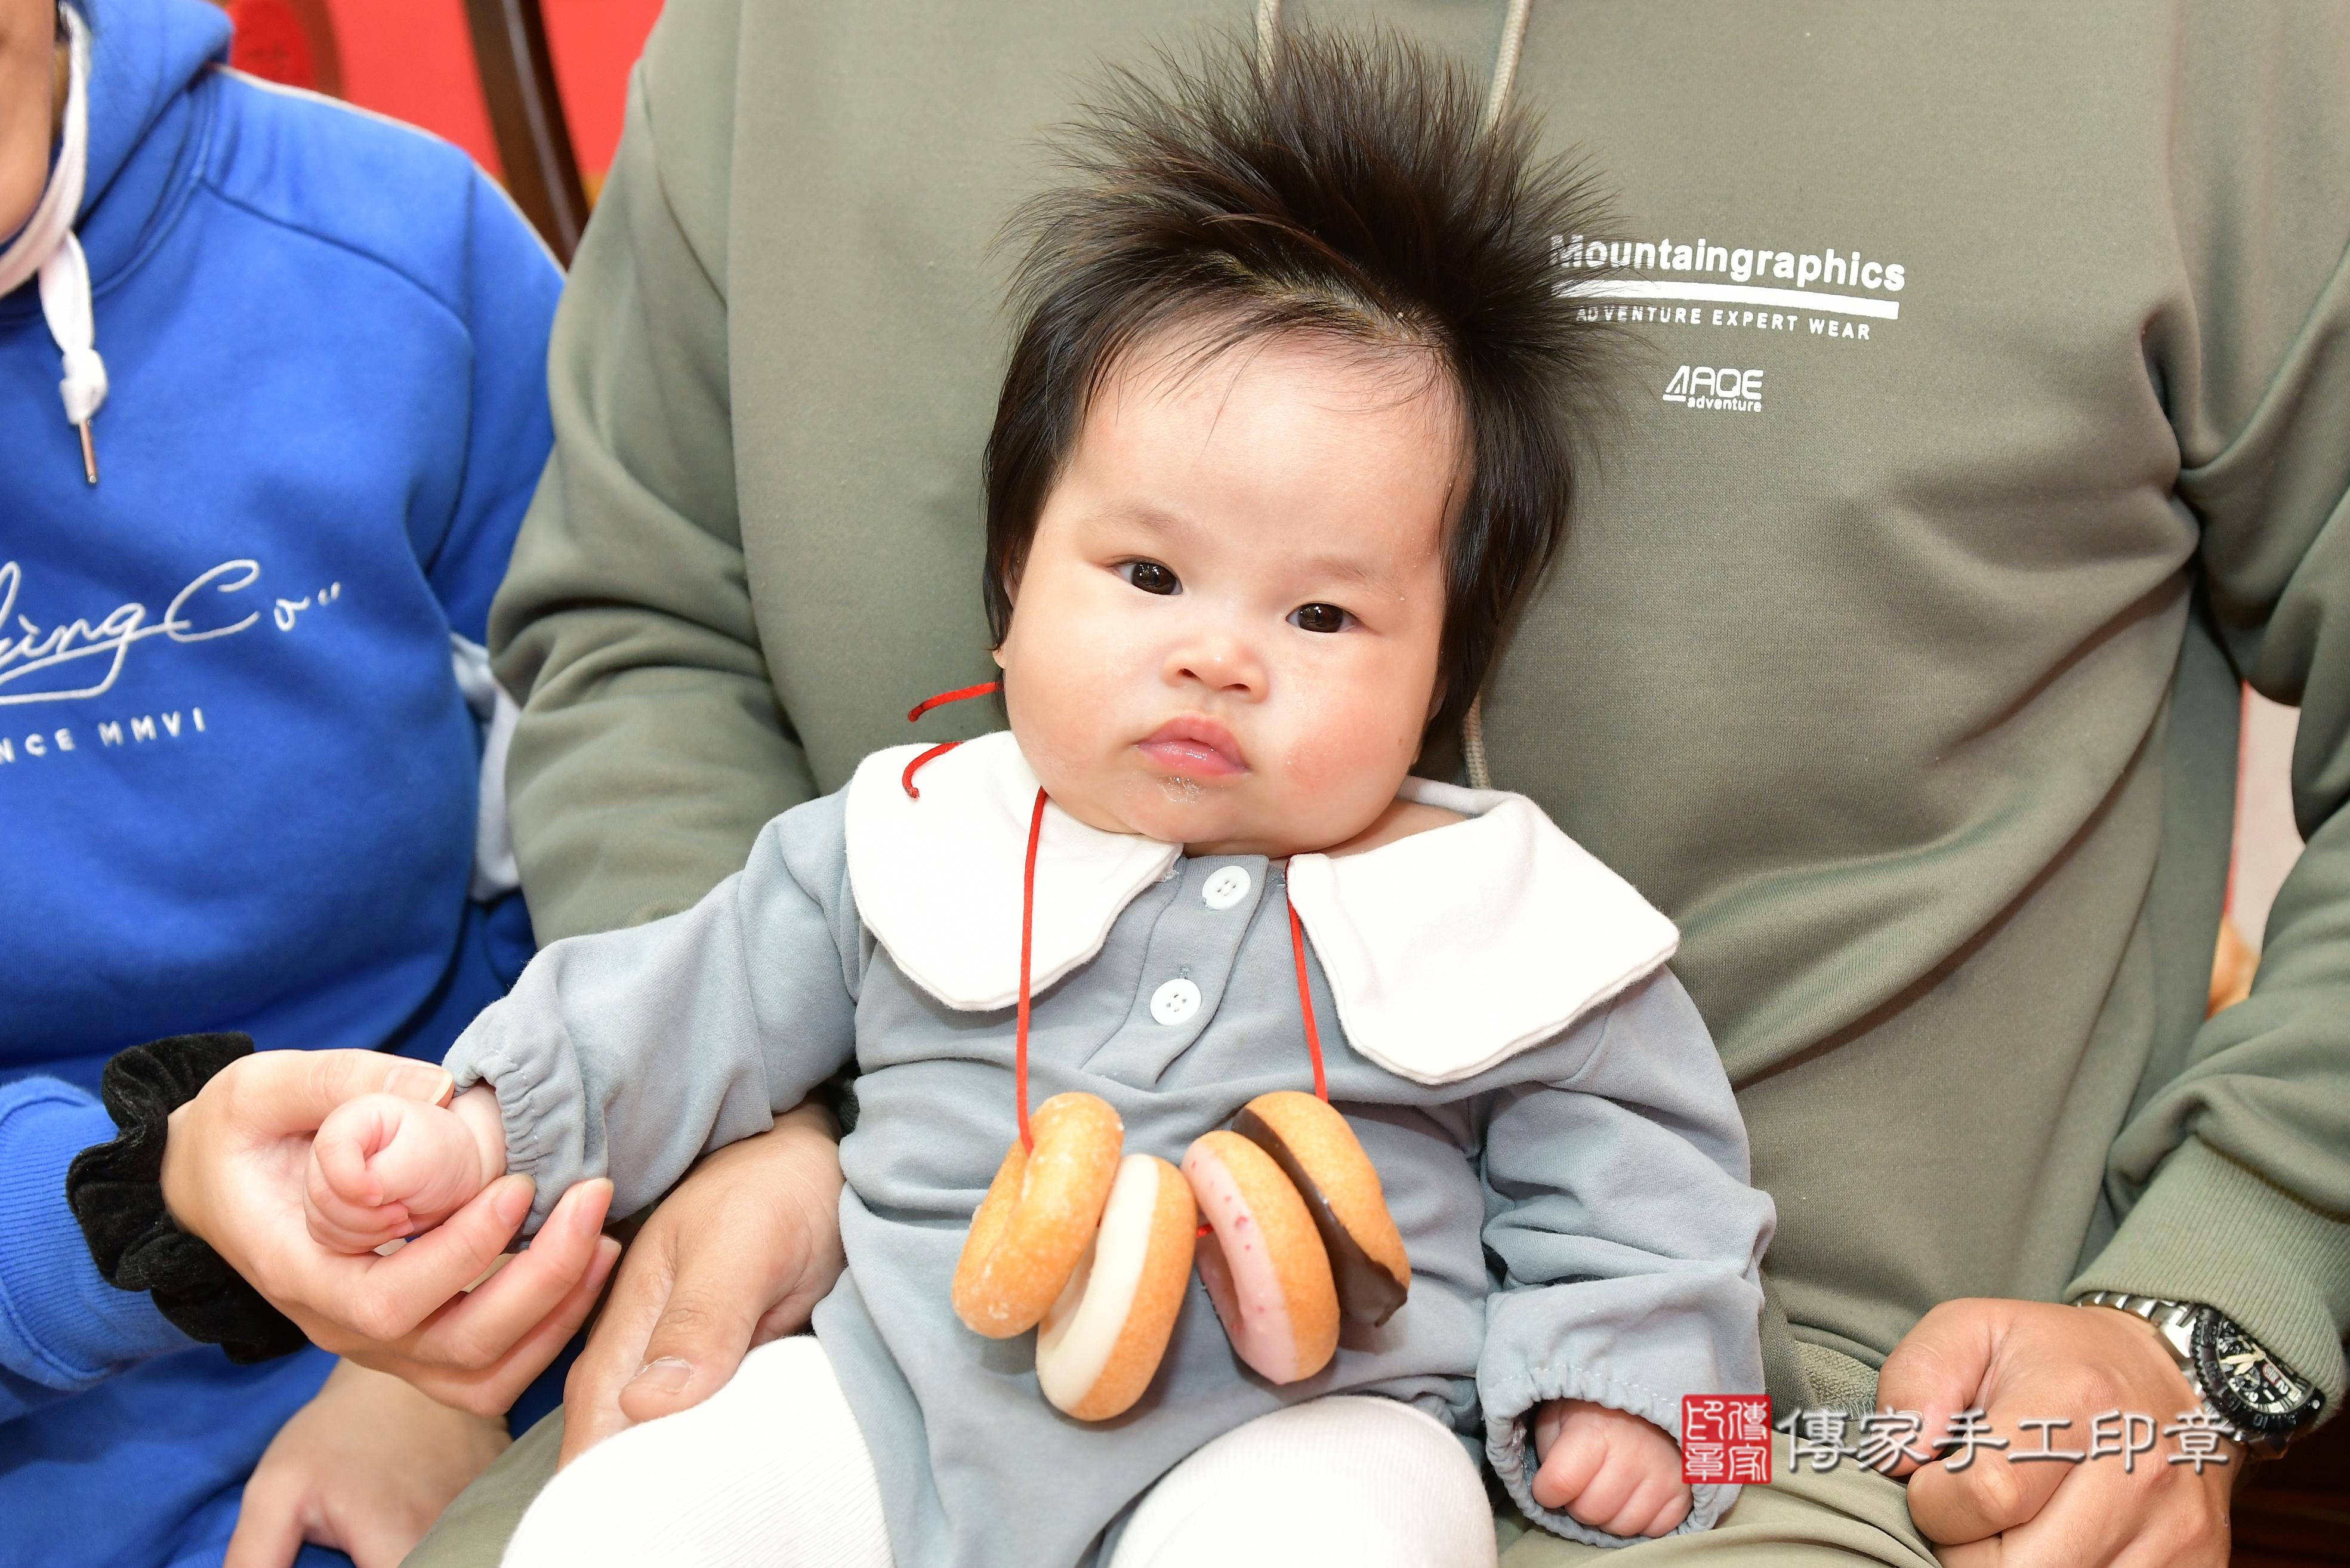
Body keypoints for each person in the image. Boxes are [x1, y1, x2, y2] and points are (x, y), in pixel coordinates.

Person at [413, 1, 2350, 1565]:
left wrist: (2201, 1298)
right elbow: (647, 618)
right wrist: (739, 1131)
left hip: (1793, 1424)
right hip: (875, 1321)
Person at [292, 32, 1774, 1567]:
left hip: (1309, 1431)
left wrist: (1640, 1402)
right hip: (894, 1399)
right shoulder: (918, 834)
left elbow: (1655, 1198)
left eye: (1320, 620)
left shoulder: (1503, 918)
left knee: (1352, 1531)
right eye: (1147, 575)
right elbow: (674, 1008)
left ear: (1445, 672)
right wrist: (480, 1130)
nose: (1218, 657)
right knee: (633, 1514)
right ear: (1010, 587)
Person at [0, 0, 606, 1562]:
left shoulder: (400, 256)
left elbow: (652, 824)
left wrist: (451, 1343)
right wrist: (142, 1219)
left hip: (505, 1245)